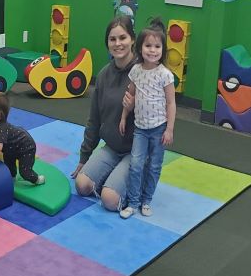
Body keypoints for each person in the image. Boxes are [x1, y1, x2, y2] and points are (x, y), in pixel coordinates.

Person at [70, 15, 139, 212]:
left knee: (109, 200)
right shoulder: (103, 76)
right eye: (112, 39)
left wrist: (137, 105)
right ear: (107, 43)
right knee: (82, 185)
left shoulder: (142, 74)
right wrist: (84, 157)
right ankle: (114, 178)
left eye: (123, 38)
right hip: (112, 148)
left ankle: (136, 183)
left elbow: (158, 118)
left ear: (132, 40)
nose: (118, 44)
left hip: (136, 152)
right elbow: (94, 120)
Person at [118, 17, 176, 218]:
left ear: (163, 49)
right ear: (140, 48)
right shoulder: (136, 71)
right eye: (148, 45)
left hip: (159, 128)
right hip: (140, 129)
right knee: (136, 164)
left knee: (154, 166)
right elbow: (130, 96)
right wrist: (124, 117)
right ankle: (133, 202)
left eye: (157, 46)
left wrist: (169, 129)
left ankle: (147, 200)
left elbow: (171, 103)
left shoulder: (165, 75)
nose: (152, 50)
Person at [0, 91, 45, 185]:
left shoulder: (1, 129)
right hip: (11, 148)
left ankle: (38, 179)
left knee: (25, 172)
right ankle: (12, 177)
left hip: (26, 146)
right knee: (9, 165)